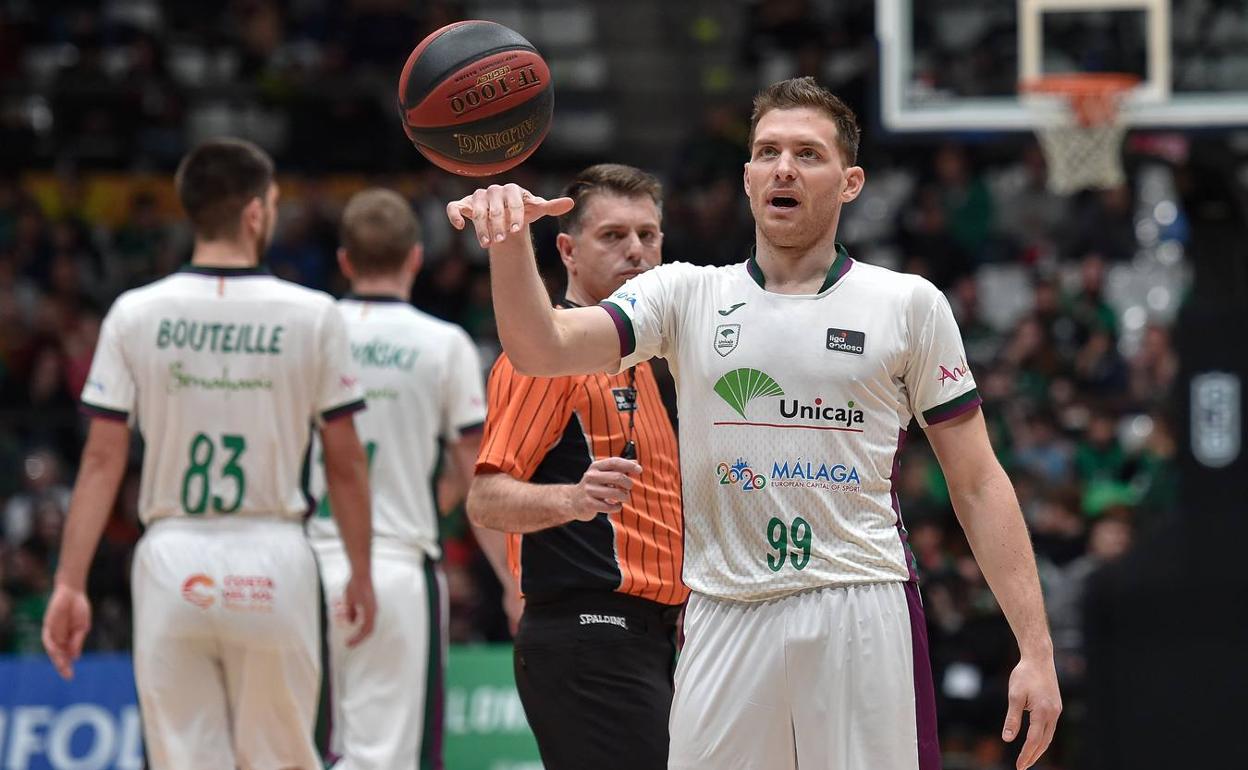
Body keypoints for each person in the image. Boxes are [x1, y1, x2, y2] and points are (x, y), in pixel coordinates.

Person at [448, 78, 1062, 770]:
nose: (784, 168)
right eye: (768, 152)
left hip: (857, 602)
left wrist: (1035, 650)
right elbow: (542, 349)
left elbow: (978, 481)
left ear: (851, 181)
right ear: (746, 178)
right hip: (723, 612)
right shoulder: (685, 293)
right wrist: (506, 243)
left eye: (807, 153)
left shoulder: (909, 305)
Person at [41, 138, 377, 770]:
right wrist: (359, 568)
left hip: (171, 558)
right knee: (282, 760)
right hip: (273, 555)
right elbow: (345, 464)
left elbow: (100, 461)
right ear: (255, 213)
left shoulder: (133, 313)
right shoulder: (314, 314)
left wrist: (69, 582)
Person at [466, 163, 687, 770]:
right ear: (567, 249)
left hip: (648, 638)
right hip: (590, 634)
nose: (636, 252)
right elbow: (485, 500)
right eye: (613, 237)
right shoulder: (546, 356)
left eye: (648, 235)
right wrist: (574, 498)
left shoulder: (645, 361)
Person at [306, 188, 486, 769]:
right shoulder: (445, 343)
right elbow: (473, 470)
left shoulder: (309, 329)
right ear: (415, 257)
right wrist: (511, 583)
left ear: (344, 261)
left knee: (300, 750)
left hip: (306, 561)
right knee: (389, 758)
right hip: (397, 565)